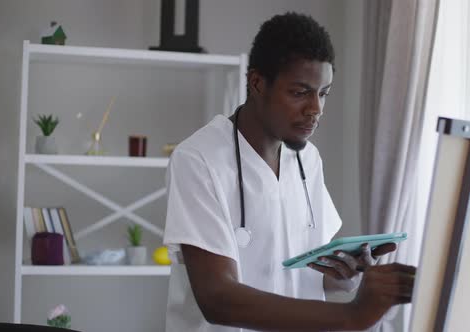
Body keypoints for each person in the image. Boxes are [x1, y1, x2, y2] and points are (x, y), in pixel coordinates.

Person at [163, 12, 416, 332]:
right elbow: (217, 297)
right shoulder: (198, 159)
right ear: (257, 83)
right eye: (300, 93)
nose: (316, 109)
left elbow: (307, 274)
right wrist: (351, 317)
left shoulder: (309, 160)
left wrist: (345, 274)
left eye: (323, 93)